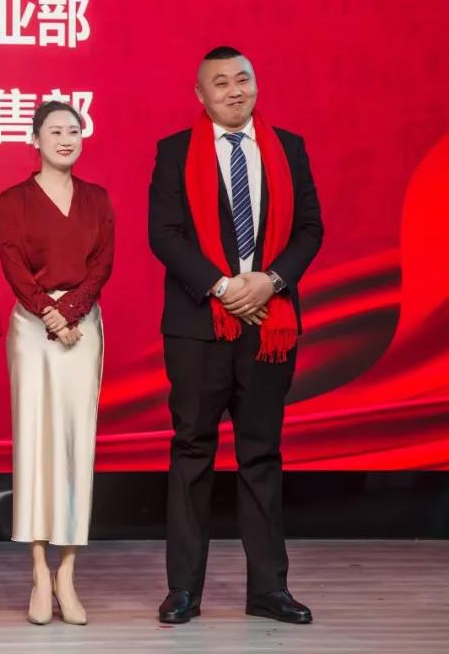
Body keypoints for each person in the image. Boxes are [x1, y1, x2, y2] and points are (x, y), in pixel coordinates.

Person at [148, 46, 323, 625]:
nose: (233, 90)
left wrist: (269, 282)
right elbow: (164, 235)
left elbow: (309, 229)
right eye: (219, 82)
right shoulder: (174, 152)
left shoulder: (288, 148)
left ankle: (269, 590)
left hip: (270, 324)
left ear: (256, 84)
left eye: (242, 78)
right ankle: (183, 591)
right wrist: (223, 288)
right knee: (192, 451)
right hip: (198, 327)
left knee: (261, 454)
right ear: (200, 95)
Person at [0, 100, 115, 626]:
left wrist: (71, 312)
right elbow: (13, 264)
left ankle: (68, 572)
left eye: (74, 130)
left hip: (82, 329)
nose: (66, 138)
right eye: (55, 130)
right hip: (32, 328)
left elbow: (102, 263)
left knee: (75, 443)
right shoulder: (13, 200)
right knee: (35, 443)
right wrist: (49, 313)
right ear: (35, 139)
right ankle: (39, 572)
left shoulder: (97, 198)